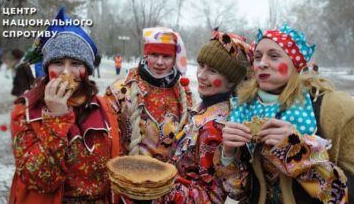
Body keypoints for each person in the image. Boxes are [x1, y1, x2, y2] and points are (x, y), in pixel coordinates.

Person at [220, 25, 350, 203]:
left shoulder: (330, 107)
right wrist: (228, 154)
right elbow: (238, 192)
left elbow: (346, 194)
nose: (262, 63)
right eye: (257, 57)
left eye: (274, 56)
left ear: (295, 62)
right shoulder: (244, 110)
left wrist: (299, 150)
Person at [9, 7, 120, 204]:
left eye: (76, 63)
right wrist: (56, 118)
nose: (66, 73)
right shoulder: (25, 110)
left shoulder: (104, 107)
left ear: (87, 68)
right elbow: (40, 181)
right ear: (47, 67)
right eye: (58, 63)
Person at [156, 29, 251, 203]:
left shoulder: (216, 126)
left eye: (213, 71)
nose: (201, 75)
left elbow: (213, 197)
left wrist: (159, 190)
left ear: (231, 81)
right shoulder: (203, 107)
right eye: (201, 65)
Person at [105, 27, 192, 162]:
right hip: (127, 175)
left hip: (168, 179)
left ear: (175, 59)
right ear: (146, 55)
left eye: (166, 56)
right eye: (154, 55)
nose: (159, 62)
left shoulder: (184, 96)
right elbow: (106, 139)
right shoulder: (120, 91)